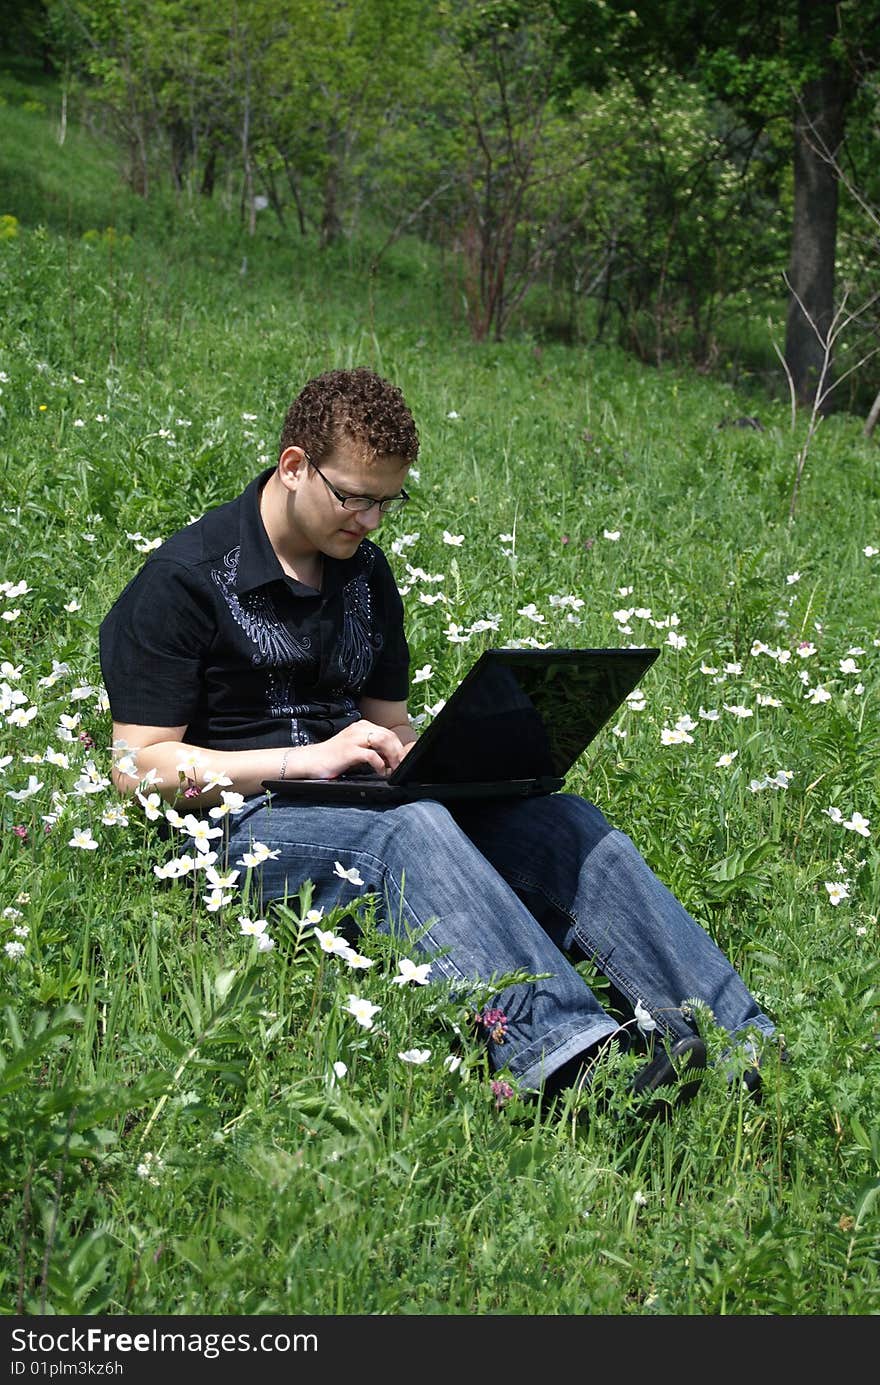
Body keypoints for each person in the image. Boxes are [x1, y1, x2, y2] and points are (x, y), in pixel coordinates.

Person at [99, 367, 776, 1110]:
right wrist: (310, 760)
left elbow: (389, 720)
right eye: (354, 496)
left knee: (564, 822)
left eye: (388, 500)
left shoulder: (363, 574)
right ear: (294, 466)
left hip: (362, 796)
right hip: (237, 827)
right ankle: (576, 1067)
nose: (371, 520)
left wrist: (446, 760)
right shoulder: (184, 580)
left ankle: (743, 1044)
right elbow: (138, 768)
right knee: (410, 832)